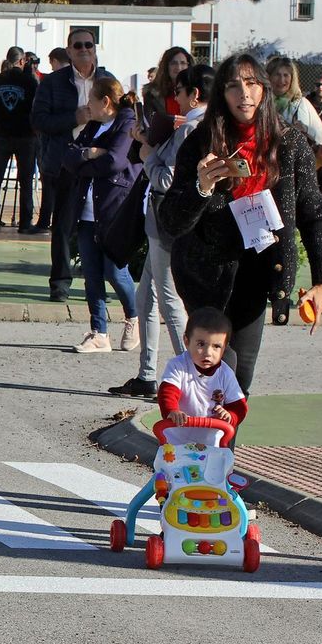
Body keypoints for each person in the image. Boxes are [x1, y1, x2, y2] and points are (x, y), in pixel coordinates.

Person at [159, 53, 322, 394]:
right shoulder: (200, 141)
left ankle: (220, 449)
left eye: (252, 84)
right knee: (216, 375)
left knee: (239, 383)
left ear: (265, 90)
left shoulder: (291, 143)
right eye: (234, 86)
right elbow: (172, 223)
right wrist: (201, 188)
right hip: (206, 276)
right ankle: (207, 446)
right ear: (222, 94)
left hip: (259, 270)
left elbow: (313, 216)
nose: (244, 94)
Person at [111, 64, 210, 398]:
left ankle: (192, 376)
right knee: (148, 295)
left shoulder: (191, 127)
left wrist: (147, 153)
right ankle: (147, 373)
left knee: (168, 298)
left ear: (194, 93)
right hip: (162, 222)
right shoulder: (192, 125)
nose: (175, 98)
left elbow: (168, 179)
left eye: (179, 92)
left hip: (168, 222)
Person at [32, 29, 116, 302]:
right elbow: (38, 121)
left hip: (99, 164)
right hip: (66, 163)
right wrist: (73, 117)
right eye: (77, 45)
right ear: (68, 51)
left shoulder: (107, 81)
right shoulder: (52, 82)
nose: (83, 49)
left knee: (101, 224)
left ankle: (104, 282)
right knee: (64, 226)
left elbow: (122, 117)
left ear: (95, 48)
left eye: (88, 45)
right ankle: (60, 284)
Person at [62, 77, 139, 353]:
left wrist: (87, 160)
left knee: (115, 272)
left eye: (91, 100)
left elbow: (116, 161)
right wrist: (91, 153)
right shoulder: (93, 125)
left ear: (105, 101)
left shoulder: (127, 121)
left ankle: (133, 316)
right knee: (92, 274)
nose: (87, 106)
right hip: (86, 210)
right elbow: (69, 158)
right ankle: (99, 332)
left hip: (114, 210)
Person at [153, 307, 248, 446]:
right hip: (176, 441)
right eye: (201, 344)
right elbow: (168, 391)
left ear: (225, 347)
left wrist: (230, 416)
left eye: (216, 346)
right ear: (186, 341)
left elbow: (239, 407)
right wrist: (172, 411)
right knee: (170, 467)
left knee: (217, 467)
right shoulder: (178, 366)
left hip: (211, 444)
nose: (208, 353)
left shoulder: (225, 374)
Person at [0, 46, 40, 233]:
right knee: (25, 180)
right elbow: (35, 106)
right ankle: (25, 223)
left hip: (2, 134)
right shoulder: (29, 81)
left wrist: (0, 117)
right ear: (22, 61)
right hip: (25, 135)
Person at [267, 56, 322, 165]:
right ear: (268, 77)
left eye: (286, 75)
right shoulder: (261, 103)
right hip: (266, 164)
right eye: (277, 74)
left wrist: (305, 130)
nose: (282, 80)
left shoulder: (300, 103)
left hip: (292, 166)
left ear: (292, 79)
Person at [141, 47, 192, 150]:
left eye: (183, 63)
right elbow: (150, 126)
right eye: (173, 63)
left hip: (189, 143)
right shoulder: (152, 94)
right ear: (166, 66)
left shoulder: (197, 92)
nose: (178, 67)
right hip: (163, 148)